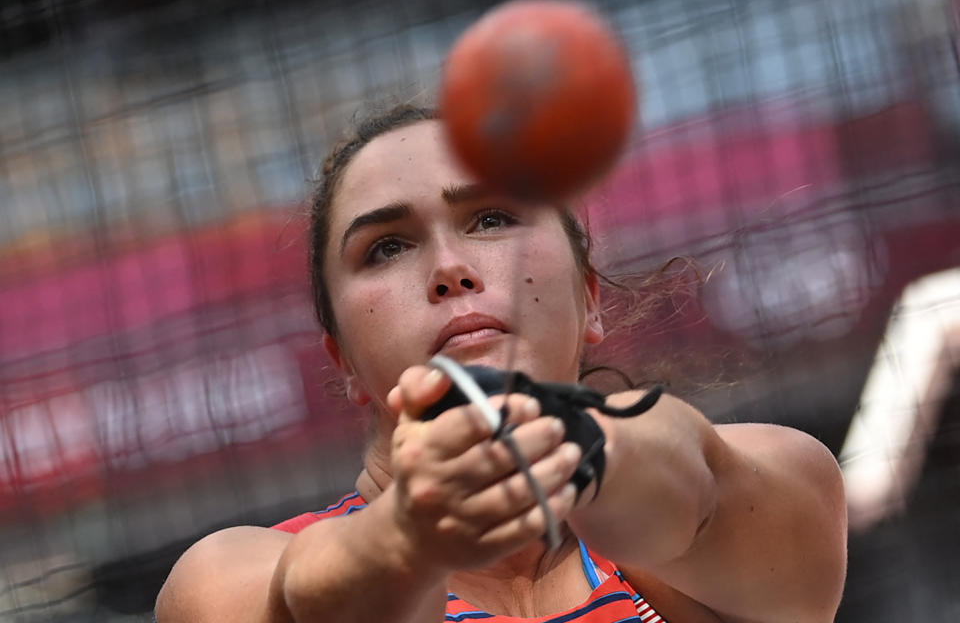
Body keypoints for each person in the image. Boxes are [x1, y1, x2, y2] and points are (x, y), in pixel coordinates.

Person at [155, 105, 847, 623]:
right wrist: (410, 535)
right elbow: (310, 598)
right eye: (386, 248)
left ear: (588, 296)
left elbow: (693, 484)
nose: (449, 269)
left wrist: (566, 443)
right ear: (341, 361)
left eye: (491, 219)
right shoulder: (222, 582)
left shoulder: (781, 484)